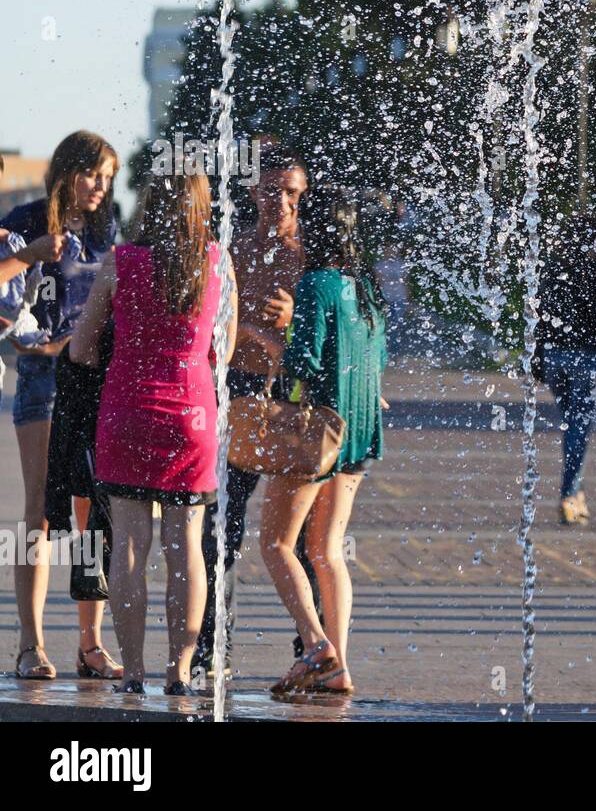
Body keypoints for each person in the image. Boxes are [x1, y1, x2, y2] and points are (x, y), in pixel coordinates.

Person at [71, 169, 236, 696]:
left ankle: (134, 671)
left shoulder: (122, 262)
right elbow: (223, 353)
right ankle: (180, 671)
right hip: (191, 416)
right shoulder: (218, 261)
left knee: (128, 544)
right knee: (186, 543)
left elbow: (79, 347)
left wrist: (120, 364)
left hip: (127, 411)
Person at [0, 131, 120, 681]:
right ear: (67, 171)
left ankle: (91, 644)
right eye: (92, 174)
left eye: (109, 177)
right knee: (41, 516)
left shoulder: (104, 229)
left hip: (93, 382)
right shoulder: (24, 221)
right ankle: (30, 644)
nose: (100, 187)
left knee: (91, 513)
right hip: (43, 380)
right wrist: (26, 255)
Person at [260, 185, 387, 695]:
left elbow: (303, 364)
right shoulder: (367, 288)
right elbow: (372, 361)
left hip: (318, 434)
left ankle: (316, 646)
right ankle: (339, 667)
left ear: (314, 229)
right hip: (358, 434)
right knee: (328, 551)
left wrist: (275, 338)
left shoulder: (316, 285)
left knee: (275, 544)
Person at [195, 144, 309, 680]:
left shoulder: (311, 254)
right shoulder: (231, 249)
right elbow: (207, 324)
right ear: (253, 191)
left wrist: (294, 317)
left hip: (293, 393)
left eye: (291, 192)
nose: (281, 201)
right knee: (223, 525)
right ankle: (208, 649)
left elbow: (332, 331)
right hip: (238, 393)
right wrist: (247, 331)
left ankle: (308, 651)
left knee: (302, 536)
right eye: (272, 190)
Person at [538, 215, 596, 525]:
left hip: (552, 358)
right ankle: (569, 494)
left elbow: (539, 316)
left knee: (571, 424)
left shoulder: (550, 270)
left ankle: (578, 494)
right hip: (584, 359)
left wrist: (538, 357)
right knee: (579, 427)